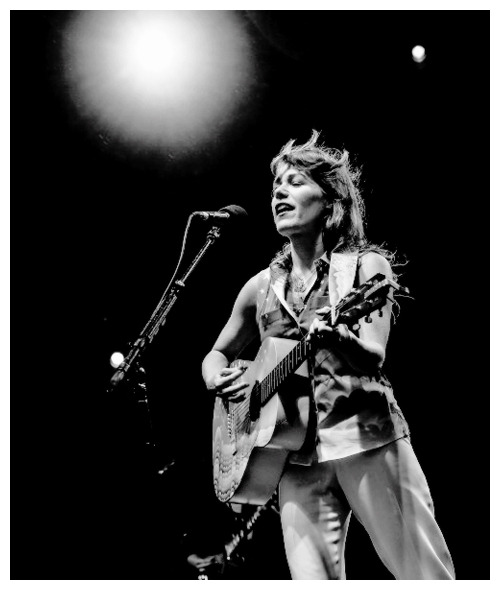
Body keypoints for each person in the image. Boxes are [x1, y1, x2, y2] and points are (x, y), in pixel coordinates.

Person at [201, 131, 455, 580]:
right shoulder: (259, 287)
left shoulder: (365, 268)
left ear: (331, 200)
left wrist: (338, 337)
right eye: (276, 184)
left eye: (295, 181)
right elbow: (216, 355)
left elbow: (374, 355)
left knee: (423, 574)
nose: (280, 190)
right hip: (293, 458)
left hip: (367, 438)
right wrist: (218, 378)